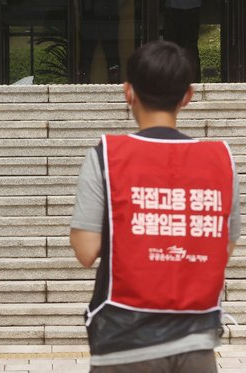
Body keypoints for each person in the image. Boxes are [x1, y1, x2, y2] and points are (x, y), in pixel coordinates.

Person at [69, 41, 240, 372]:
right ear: (188, 96)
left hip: (123, 344)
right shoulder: (221, 161)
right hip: (197, 345)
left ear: (128, 92)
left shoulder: (106, 156)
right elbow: (223, 247)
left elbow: (85, 251)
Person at [164, 0, 202, 82]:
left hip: (176, 7)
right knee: (189, 46)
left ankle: (171, 78)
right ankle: (193, 79)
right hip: (190, 6)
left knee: (173, 46)